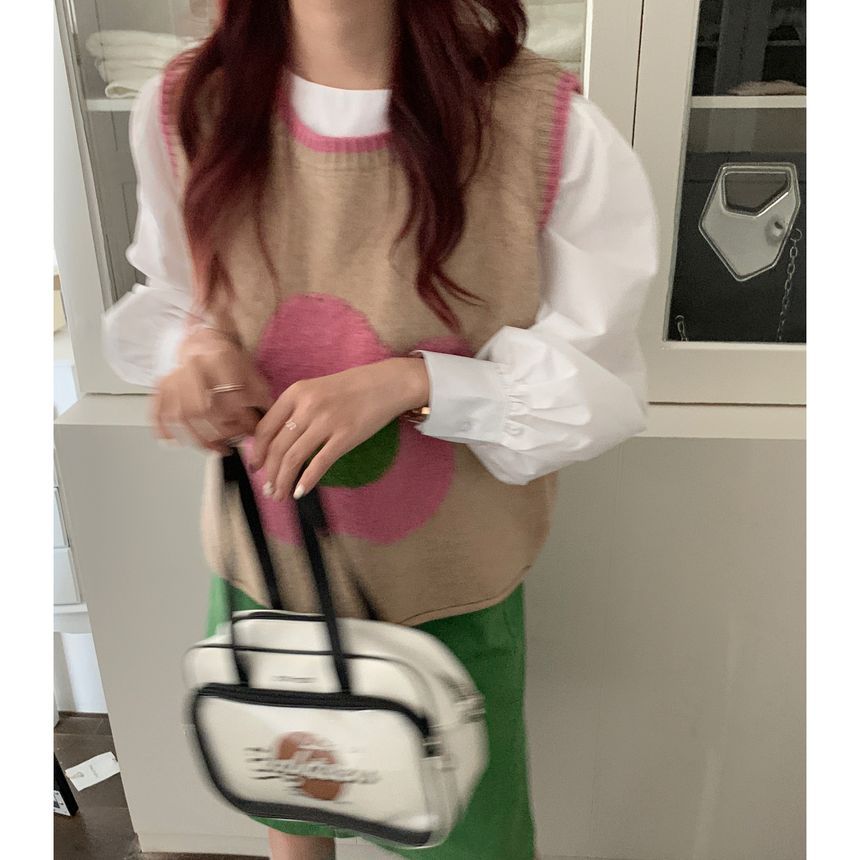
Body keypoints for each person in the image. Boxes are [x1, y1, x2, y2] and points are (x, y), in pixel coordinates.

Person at [103, 2, 657, 858]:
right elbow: (178, 292)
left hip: (448, 587)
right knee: (292, 806)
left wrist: (413, 384)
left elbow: (595, 382)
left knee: (467, 837)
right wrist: (198, 351)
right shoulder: (191, 106)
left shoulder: (541, 126)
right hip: (270, 569)